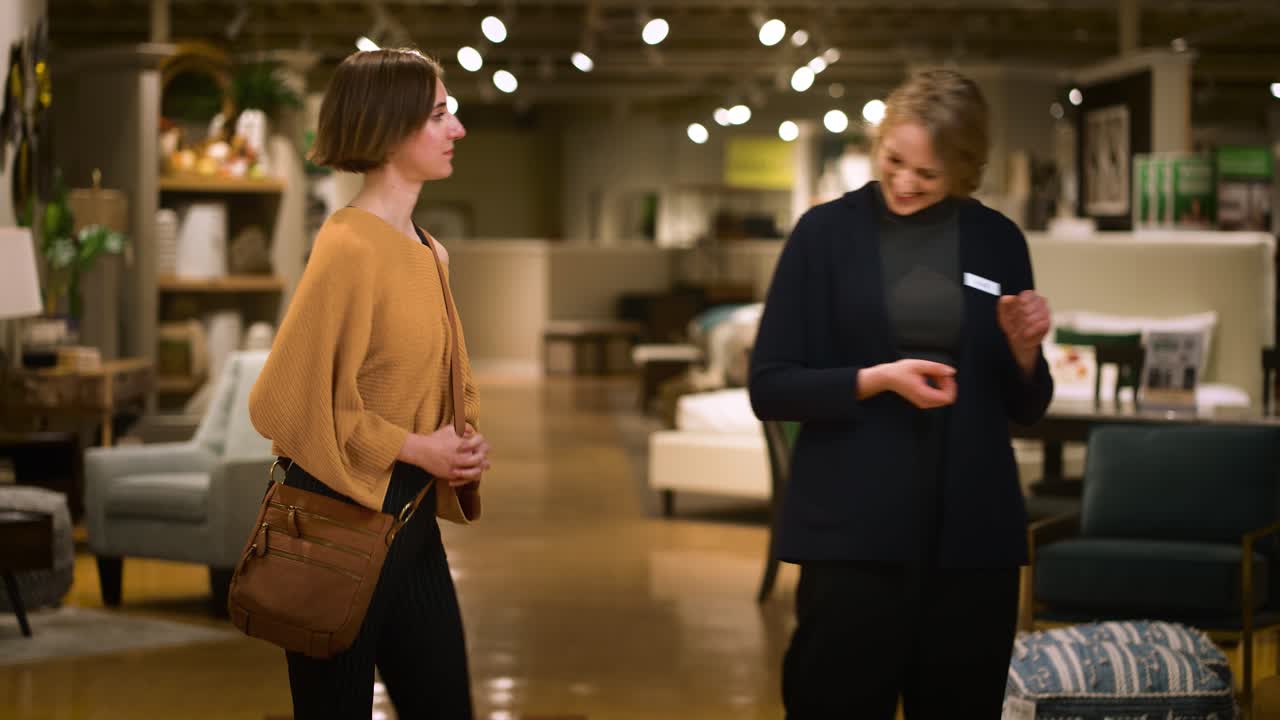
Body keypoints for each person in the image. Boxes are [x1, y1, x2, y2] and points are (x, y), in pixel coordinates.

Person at [748, 69, 1053, 718]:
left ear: (964, 172)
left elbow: (1026, 405)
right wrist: (875, 380)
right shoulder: (823, 236)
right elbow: (769, 384)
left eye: (929, 174)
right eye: (895, 161)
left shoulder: (998, 240)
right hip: (853, 540)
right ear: (879, 142)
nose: (907, 184)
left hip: (971, 546)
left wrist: (1025, 352)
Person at [248, 48, 490, 719]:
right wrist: (419, 449)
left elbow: (436, 383)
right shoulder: (348, 246)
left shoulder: (426, 249)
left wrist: (458, 444)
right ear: (390, 126)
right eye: (440, 114)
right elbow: (285, 402)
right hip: (336, 524)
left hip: (408, 523)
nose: (457, 130)